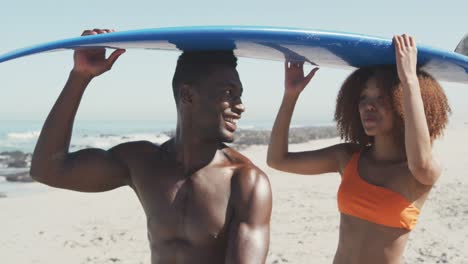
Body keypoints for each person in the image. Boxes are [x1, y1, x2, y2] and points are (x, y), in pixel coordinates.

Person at [30, 29, 272, 264]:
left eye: (239, 95)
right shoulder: (143, 163)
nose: (240, 106)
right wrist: (80, 76)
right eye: (229, 93)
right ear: (187, 95)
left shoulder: (246, 182)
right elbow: (48, 169)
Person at [267, 34, 451, 263]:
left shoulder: (419, 173)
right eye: (363, 97)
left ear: (402, 101)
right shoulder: (347, 157)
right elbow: (278, 160)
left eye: (381, 97)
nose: (368, 105)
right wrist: (291, 95)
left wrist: (410, 81)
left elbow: (420, 160)